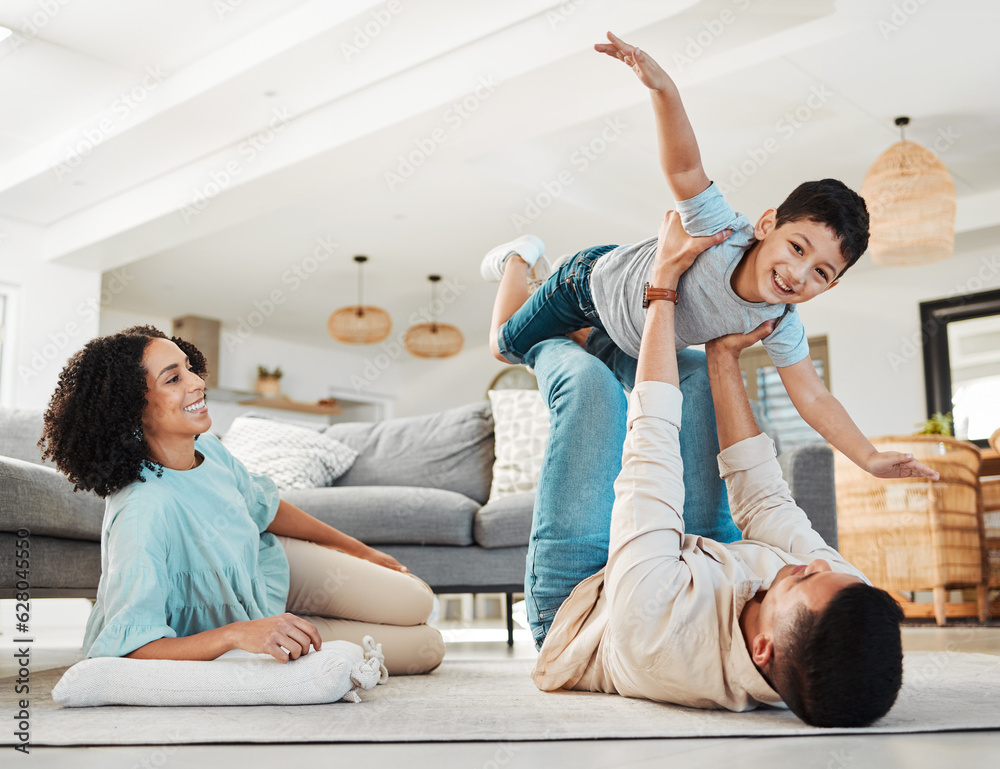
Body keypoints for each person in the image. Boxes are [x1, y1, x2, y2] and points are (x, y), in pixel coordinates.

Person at [482, 31, 937, 483]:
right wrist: (665, 90)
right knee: (505, 347)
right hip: (587, 289)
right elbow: (684, 167)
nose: (798, 274)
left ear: (831, 285)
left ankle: (546, 295)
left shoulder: (778, 320)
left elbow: (814, 397)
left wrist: (869, 458)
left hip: (627, 336)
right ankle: (522, 257)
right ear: (766, 226)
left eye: (820, 272)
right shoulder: (720, 230)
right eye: (796, 247)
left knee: (610, 372)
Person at [530, 212, 906, 728]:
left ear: (762, 649)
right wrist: (725, 357)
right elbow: (765, 500)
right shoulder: (836, 593)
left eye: (799, 581)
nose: (814, 563)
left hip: (585, 609)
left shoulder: (660, 634)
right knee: (701, 378)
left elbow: (651, 457)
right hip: (694, 561)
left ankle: (530, 333)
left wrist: (661, 286)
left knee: (590, 389)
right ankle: (598, 335)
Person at [38, 325, 444, 676]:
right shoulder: (142, 511)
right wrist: (238, 634)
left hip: (268, 563)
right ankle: (291, 626)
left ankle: (297, 621)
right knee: (429, 649)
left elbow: (267, 507)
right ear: (131, 409)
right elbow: (128, 647)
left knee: (416, 600)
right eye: (173, 378)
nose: (197, 382)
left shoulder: (211, 449)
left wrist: (361, 551)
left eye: (190, 367)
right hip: (240, 622)